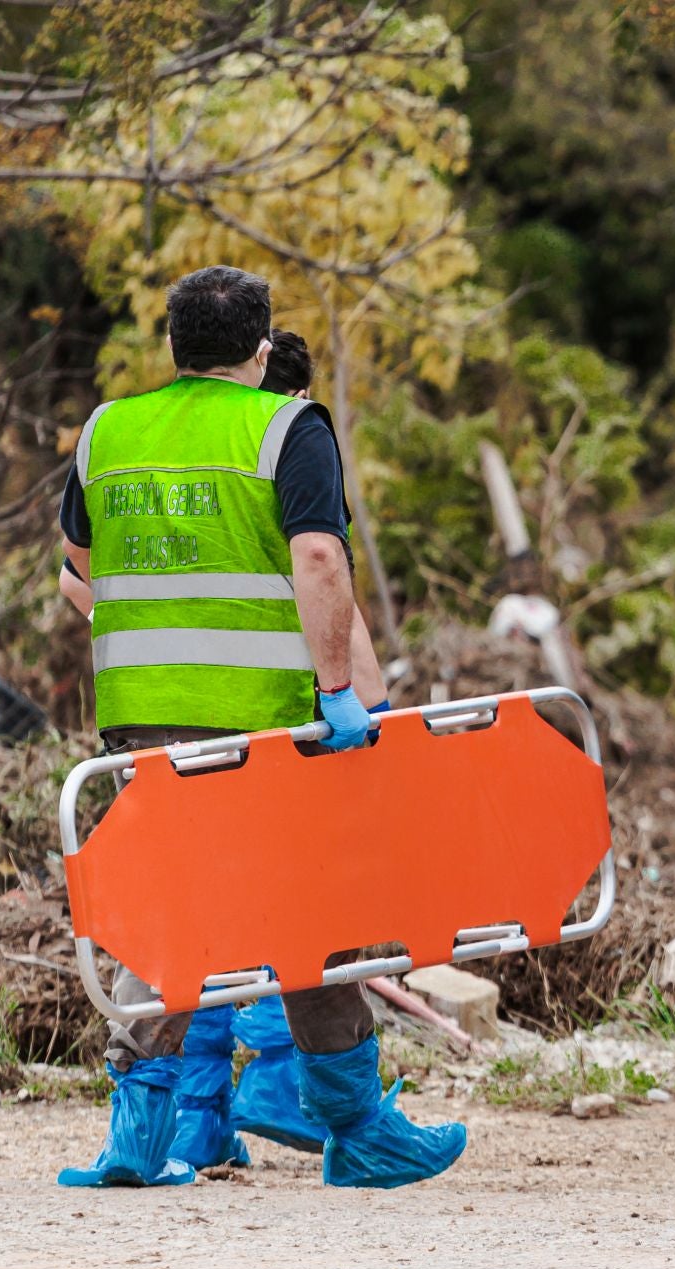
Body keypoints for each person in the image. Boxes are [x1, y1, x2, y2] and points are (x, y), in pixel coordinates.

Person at [54, 266, 465, 1189]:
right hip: (265, 724)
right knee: (312, 911)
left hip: (142, 721)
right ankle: (359, 1130)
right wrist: (338, 692)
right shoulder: (287, 425)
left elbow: (78, 564)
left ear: (171, 348)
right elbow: (318, 554)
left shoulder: (107, 432)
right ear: (265, 349)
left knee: (168, 912)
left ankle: (138, 1141)